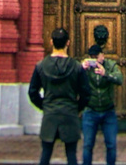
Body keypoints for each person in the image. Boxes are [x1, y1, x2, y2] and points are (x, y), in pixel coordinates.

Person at [28, 27, 90, 165]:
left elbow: (32, 92)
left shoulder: (41, 66)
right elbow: (86, 93)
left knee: (46, 153)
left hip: (50, 114)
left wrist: (45, 105)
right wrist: (76, 108)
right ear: (68, 43)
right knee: (71, 154)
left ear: (51, 42)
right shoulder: (76, 67)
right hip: (69, 113)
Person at [81, 43, 123, 165]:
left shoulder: (110, 65)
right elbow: (73, 80)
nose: (94, 60)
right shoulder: (87, 68)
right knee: (87, 145)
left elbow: (119, 79)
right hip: (91, 110)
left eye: (96, 56)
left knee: (111, 144)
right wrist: (80, 69)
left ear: (102, 56)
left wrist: (106, 74)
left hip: (108, 111)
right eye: (92, 57)